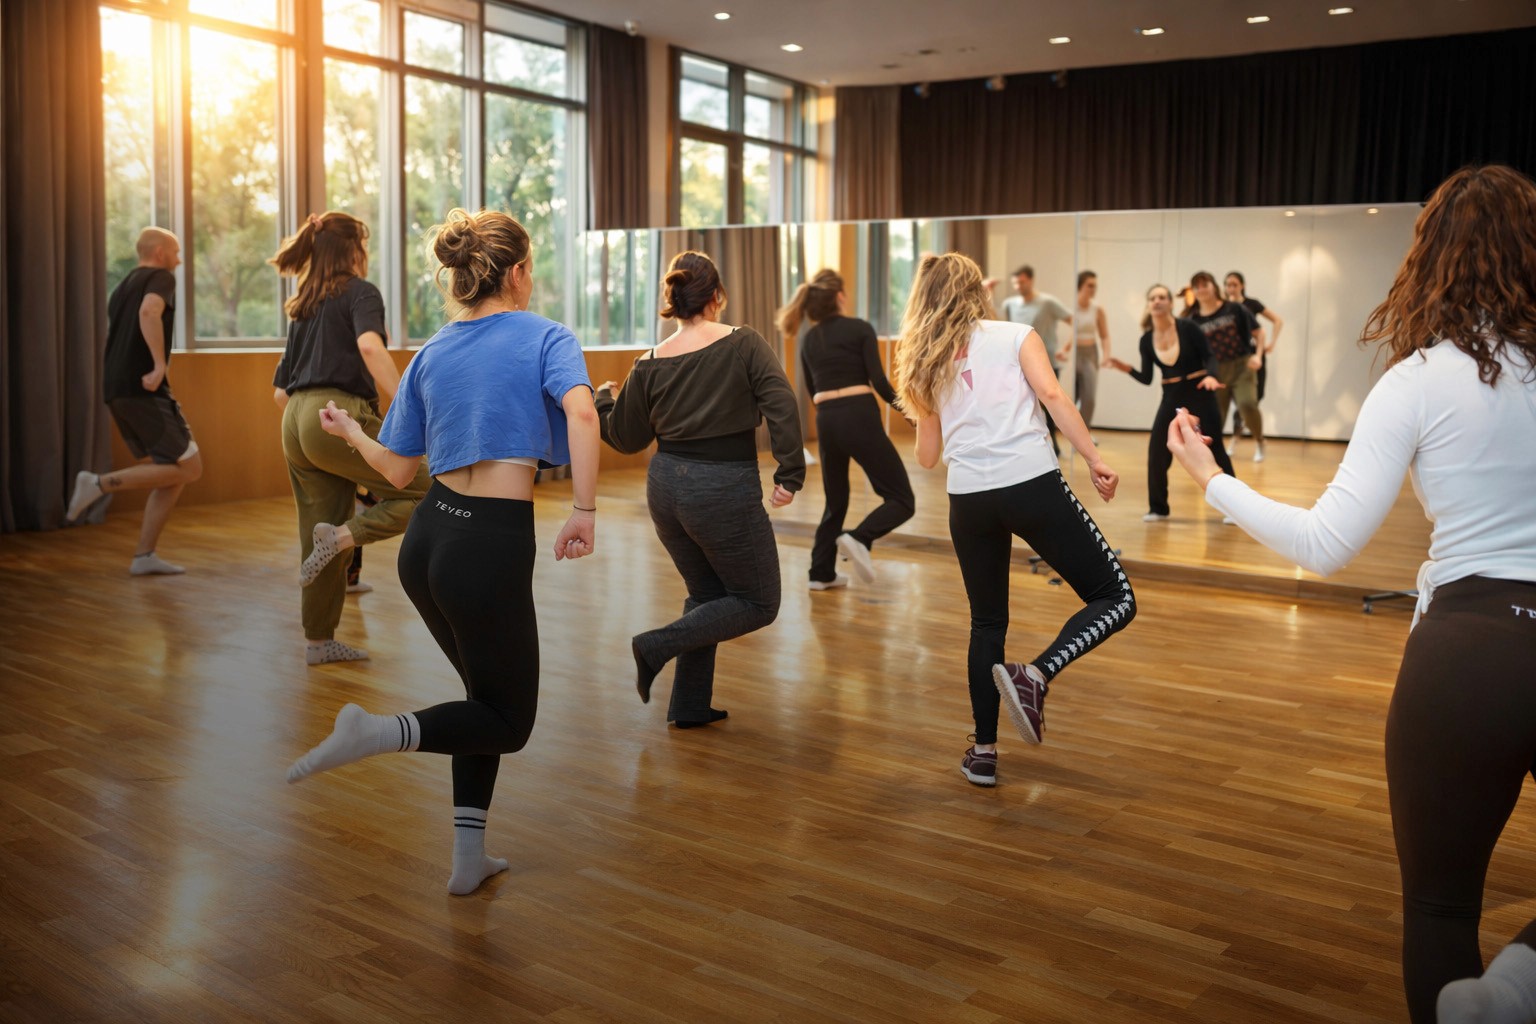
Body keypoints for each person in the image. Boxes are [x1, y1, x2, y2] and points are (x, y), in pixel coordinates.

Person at [1165, 165, 1536, 1024]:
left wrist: (1213, 479)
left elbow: (1326, 544)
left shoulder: (1417, 380)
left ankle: (1502, 997)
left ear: (1430, 260)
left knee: (1442, 912)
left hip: (1467, 657)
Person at [287, 207, 600, 897]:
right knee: (507, 720)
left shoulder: (433, 351)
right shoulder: (547, 335)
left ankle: (467, 858)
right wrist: (584, 509)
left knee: (483, 701)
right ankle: (377, 733)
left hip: (427, 544)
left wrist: (347, 433)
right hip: (487, 544)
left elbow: (397, 473)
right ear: (517, 273)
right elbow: (582, 413)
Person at [892, 253, 1135, 788]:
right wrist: (1095, 458)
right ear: (977, 289)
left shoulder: (923, 359)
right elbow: (1051, 396)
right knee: (1116, 597)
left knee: (986, 625)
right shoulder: (1016, 334)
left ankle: (983, 753)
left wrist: (931, 413)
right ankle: (1037, 673)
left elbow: (927, 459)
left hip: (969, 500)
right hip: (1031, 485)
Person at [596, 250, 804, 729]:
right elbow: (781, 404)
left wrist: (605, 398)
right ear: (717, 297)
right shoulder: (743, 343)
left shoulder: (647, 362)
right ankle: (657, 644)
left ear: (673, 300)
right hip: (721, 485)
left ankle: (688, 705)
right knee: (759, 602)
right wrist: (789, 472)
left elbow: (626, 439)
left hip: (665, 485)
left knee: (707, 595)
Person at [268, 211, 431, 665]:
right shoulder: (361, 292)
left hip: (296, 420)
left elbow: (280, 391)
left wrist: (313, 434)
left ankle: (319, 643)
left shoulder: (304, 304)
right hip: (339, 414)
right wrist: (408, 404)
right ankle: (345, 537)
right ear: (353, 249)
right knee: (429, 490)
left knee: (316, 526)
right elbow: (370, 347)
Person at [66, 227, 204, 574]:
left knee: (171, 473)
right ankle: (97, 483)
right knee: (191, 466)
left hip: (117, 387)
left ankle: (144, 556)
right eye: (175, 252)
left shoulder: (123, 285)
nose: (179, 259)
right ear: (159, 252)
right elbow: (149, 312)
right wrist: (159, 364)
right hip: (142, 388)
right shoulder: (160, 277)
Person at [777, 268, 914, 590]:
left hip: (826, 419)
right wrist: (908, 411)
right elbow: (878, 382)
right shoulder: (859, 328)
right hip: (859, 415)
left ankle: (820, 573)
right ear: (839, 296)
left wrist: (832, 412)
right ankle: (858, 537)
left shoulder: (809, 339)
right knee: (901, 499)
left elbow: (811, 389)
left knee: (835, 500)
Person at [1104, 285, 1236, 522]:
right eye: (1153, 297)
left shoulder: (1189, 328)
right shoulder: (1146, 340)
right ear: (1148, 304)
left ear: (1170, 303)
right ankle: (1158, 508)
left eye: (1162, 297)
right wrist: (1126, 369)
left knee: (1215, 448)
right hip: (1171, 396)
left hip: (1200, 392)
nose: (1157, 301)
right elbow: (1147, 378)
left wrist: (1211, 376)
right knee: (1156, 452)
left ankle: (1235, 509)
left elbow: (1210, 356)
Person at [1182, 271, 1266, 462]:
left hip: (1242, 366)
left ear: (1214, 286)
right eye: (1197, 286)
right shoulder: (1192, 320)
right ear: (1193, 291)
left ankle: (1260, 440)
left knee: (1247, 404)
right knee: (1215, 417)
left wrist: (1258, 356)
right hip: (1215, 372)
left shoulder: (1234, 309)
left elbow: (1259, 333)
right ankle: (1211, 456)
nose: (1201, 289)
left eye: (1205, 284)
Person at [999, 264, 1073, 451]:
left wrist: (1066, 348)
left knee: (1049, 405)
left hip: (1046, 362)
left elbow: (1074, 322)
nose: (1018, 286)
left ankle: (1053, 445)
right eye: (1015, 283)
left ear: (1031, 280)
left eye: (1022, 282)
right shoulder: (1009, 304)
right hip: (1018, 364)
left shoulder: (1047, 302)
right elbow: (1005, 329)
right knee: (1022, 407)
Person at [1223, 271, 1284, 456]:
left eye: (1234, 284)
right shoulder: (1224, 307)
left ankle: (1258, 441)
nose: (1231, 288)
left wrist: (1271, 343)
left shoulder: (1252, 304)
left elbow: (1277, 320)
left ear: (1242, 285)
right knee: (1238, 404)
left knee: (1252, 402)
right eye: (1228, 284)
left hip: (1255, 360)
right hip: (1234, 362)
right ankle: (1234, 440)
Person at [1070, 270, 1113, 429]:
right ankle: (1069, 431)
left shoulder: (1097, 309)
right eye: (1090, 285)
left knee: (1089, 398)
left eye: (1095, 286)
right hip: (1073, 355)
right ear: (1080, 286)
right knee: (1070, 397)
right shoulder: (1070, 306)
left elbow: (1105, 336)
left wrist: (1106, 356)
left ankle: (1084, 431)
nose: (1093, 289)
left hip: (1090, 354)